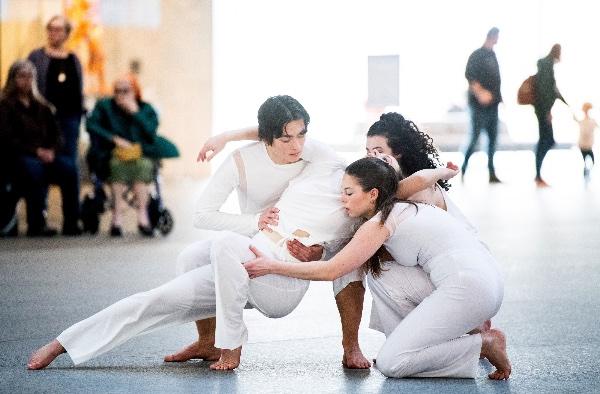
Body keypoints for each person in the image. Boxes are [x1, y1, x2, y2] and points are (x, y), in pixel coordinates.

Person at [26, 148, 452, 371]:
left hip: (280, 283)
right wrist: (224, 140)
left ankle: (231, 345)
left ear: (381, 189)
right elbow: (277, 125)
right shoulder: (327, 165)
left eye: (387, 158)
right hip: (250, 259)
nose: (378, 156)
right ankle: (64, 343)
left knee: (223, 245)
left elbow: (341, 263)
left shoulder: (369, 215)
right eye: (374, 151)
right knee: (158, 293)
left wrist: (440, 173)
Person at [244, 157, 511, 380]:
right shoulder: (401, 208)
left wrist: (271, 265)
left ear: (373, 194)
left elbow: (332, 270)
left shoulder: (381, 222)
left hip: (469, 287)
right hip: (485, 280)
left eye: (349, 193)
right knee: (382, 275)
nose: (342, 200)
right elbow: (420, 178)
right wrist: (444, 171)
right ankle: (416, 343)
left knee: (391, 363)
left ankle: (482, 344)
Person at [167, 95, 371, 369]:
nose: (297, 146)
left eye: (301, 136)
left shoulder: (324, 159)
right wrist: (225, 138)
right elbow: (202, 215)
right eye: (286, 140)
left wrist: (320, 252)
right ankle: (208, 340)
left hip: (296, 259)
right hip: (260, 239)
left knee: (353, 254)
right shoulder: (245, 159)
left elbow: (343, 233)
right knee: (191, 257)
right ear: (268, 138)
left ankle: (351, 345)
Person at [0, 60, 80, 236]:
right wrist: (35, 151)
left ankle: (71, 222)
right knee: (33, 169)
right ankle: (36, 223)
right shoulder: (5, 106)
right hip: (17, 156)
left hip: (45, 154)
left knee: (69, 168)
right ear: (13, 78)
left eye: (30, 76)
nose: (26, 80)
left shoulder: (43, 107)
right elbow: (7, 139)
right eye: (22, 76)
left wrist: (51, 151)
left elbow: (57, 136)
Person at [86, 76, 158, 236]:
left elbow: (151, 133)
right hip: (112, 153)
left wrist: (135, 113)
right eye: (117, 91)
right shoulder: (104, 106)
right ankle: (117, 215)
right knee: (116, 165)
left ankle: (143, 215)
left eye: (125, 91)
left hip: (140, 154)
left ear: (135, 91)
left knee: (143, 165)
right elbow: (91, 125)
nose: (121, 95)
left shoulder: (146, 109)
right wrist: (113, 138)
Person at [28, 15, 84, 164]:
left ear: (66, 33)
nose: (53, 33)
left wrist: (78, 115)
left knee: (69, 160)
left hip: (69, 117)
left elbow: (78, 89)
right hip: (43, 117)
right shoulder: (36, 56)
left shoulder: (73, 58)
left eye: (58, 29)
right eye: (51, 29)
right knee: (42, 160)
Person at [462, 27, 503, 183]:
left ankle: (491, 173)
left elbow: (496, 80)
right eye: (496, 36)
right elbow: (470, 75)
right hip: (478, 106)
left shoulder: (493, 55)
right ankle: (463, 169)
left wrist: (500, 98)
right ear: (490, 36)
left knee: (493, 139)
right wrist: (480, 93)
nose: (497, 39)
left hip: (493, 105)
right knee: (475, 138)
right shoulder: (477, 55)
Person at [533, 44, 567, 187]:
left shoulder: (547, 65)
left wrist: (566, 102)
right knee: (546, 140)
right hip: (543, 110)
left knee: (546, 140)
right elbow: (545, 89)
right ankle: (538, 175)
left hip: (542, 109)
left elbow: (552, 89)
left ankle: (538, 175)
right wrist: (547, 111)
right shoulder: (546, 65)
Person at [573, 103, 596, 178]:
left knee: (592, 160)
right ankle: (586, 172)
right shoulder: (582, 121)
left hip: (589, 145)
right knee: (585, 160)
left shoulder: (592, 121)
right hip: (583, 145)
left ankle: (587, 171)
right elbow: (575, 119)